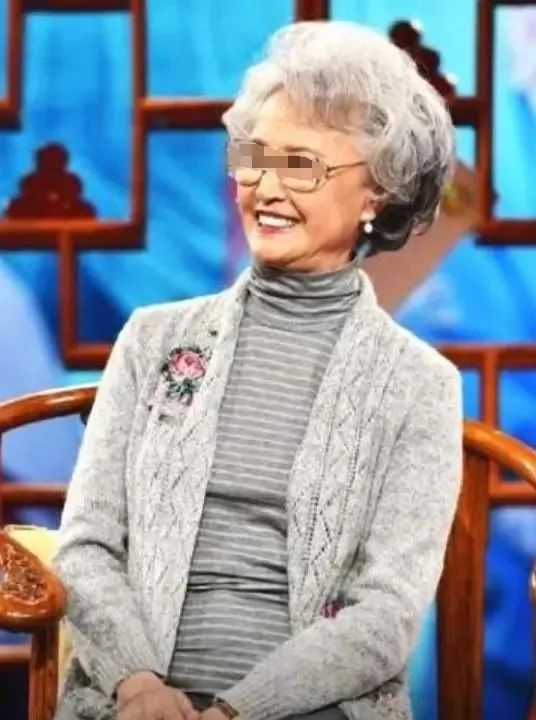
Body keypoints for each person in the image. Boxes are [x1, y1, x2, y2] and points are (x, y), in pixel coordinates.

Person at [52, 20, 462, 720]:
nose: (265, 187)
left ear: (377, 192)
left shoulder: (420, 385)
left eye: (300, 165)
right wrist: (138, 685)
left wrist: (239, 710)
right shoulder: (153, 339)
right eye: (253, 158)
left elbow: (386, 615)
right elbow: (86, 548)